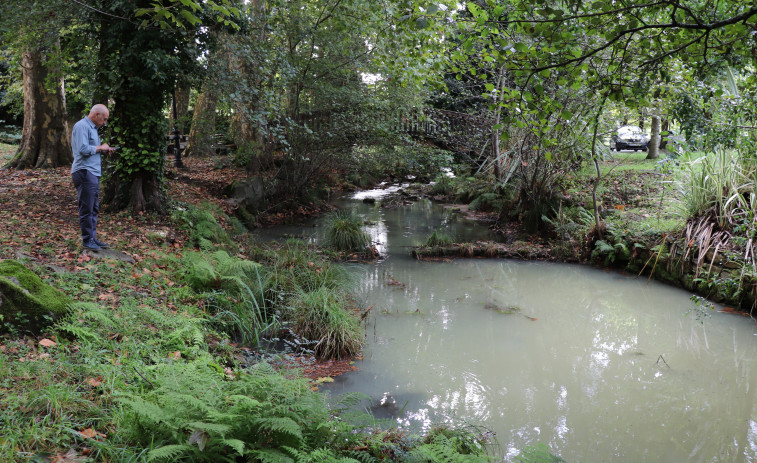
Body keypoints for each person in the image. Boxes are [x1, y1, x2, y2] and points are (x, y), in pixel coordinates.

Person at [71, 104, 114, 251]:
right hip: (84, 171)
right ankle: (87, 240)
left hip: (93, 172)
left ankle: (92, 238)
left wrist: (104, 150)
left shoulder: (93, 129)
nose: (105, 123)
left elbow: (91, 149)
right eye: (104, 119)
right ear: (96, 115)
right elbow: (82, 149)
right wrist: (101, 147)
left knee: (94, 207)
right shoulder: (82, 126)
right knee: (87, 207)